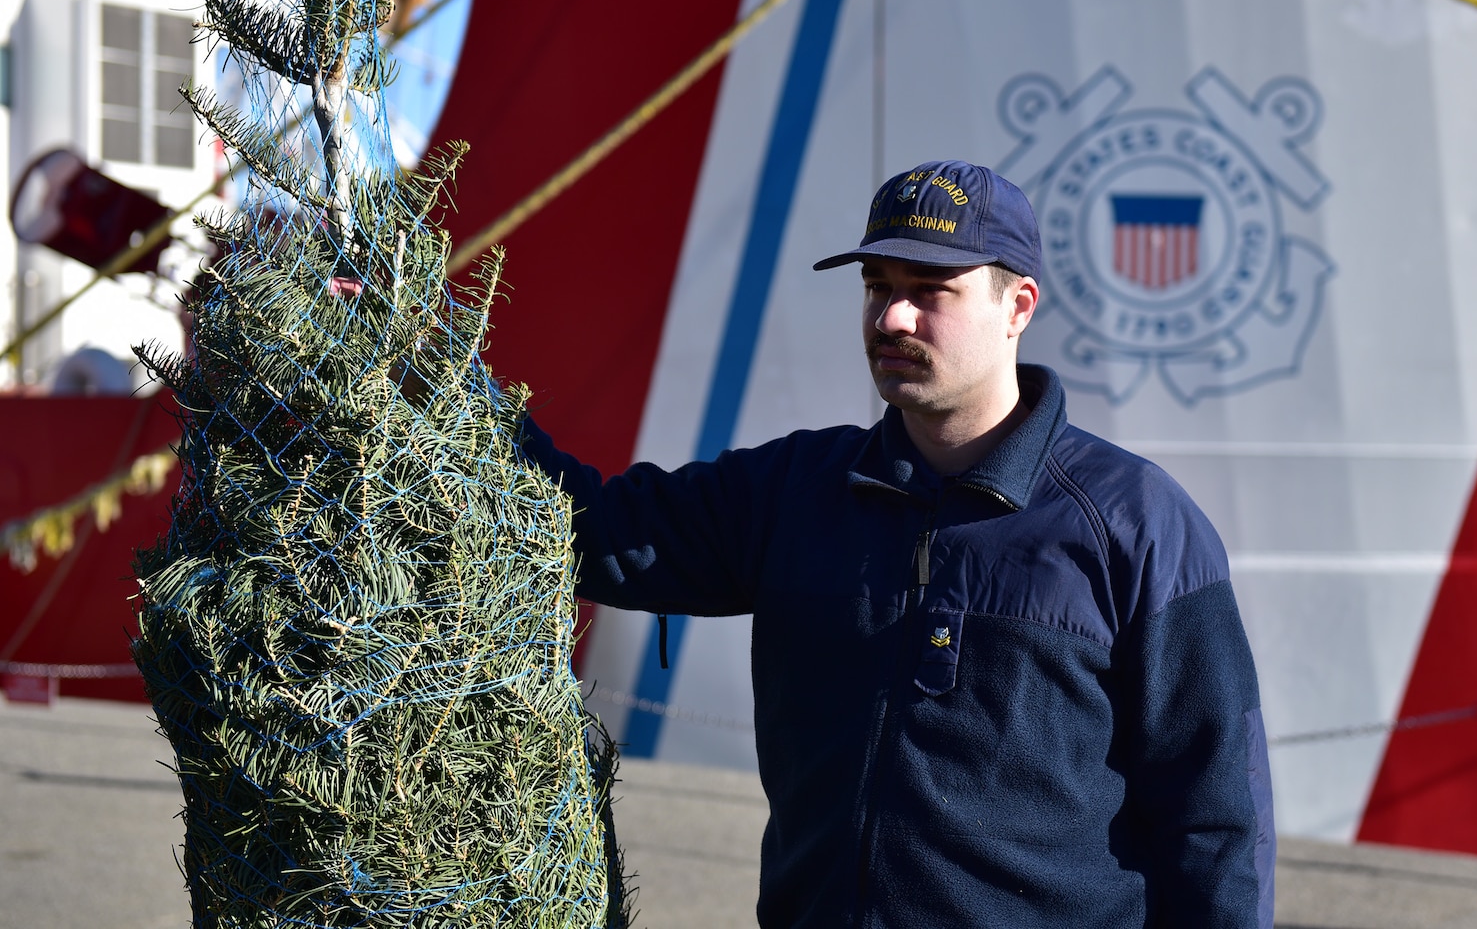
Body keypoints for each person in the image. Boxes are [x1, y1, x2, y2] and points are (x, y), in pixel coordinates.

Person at [524, 160, 1275, 928]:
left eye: (929, 290)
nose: (892, 318)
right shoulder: (793, 490)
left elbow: (1216, 817)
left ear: (1017, 306)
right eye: (878, 286)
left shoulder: (1135, 524)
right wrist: (437, 380)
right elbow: (586, 529)